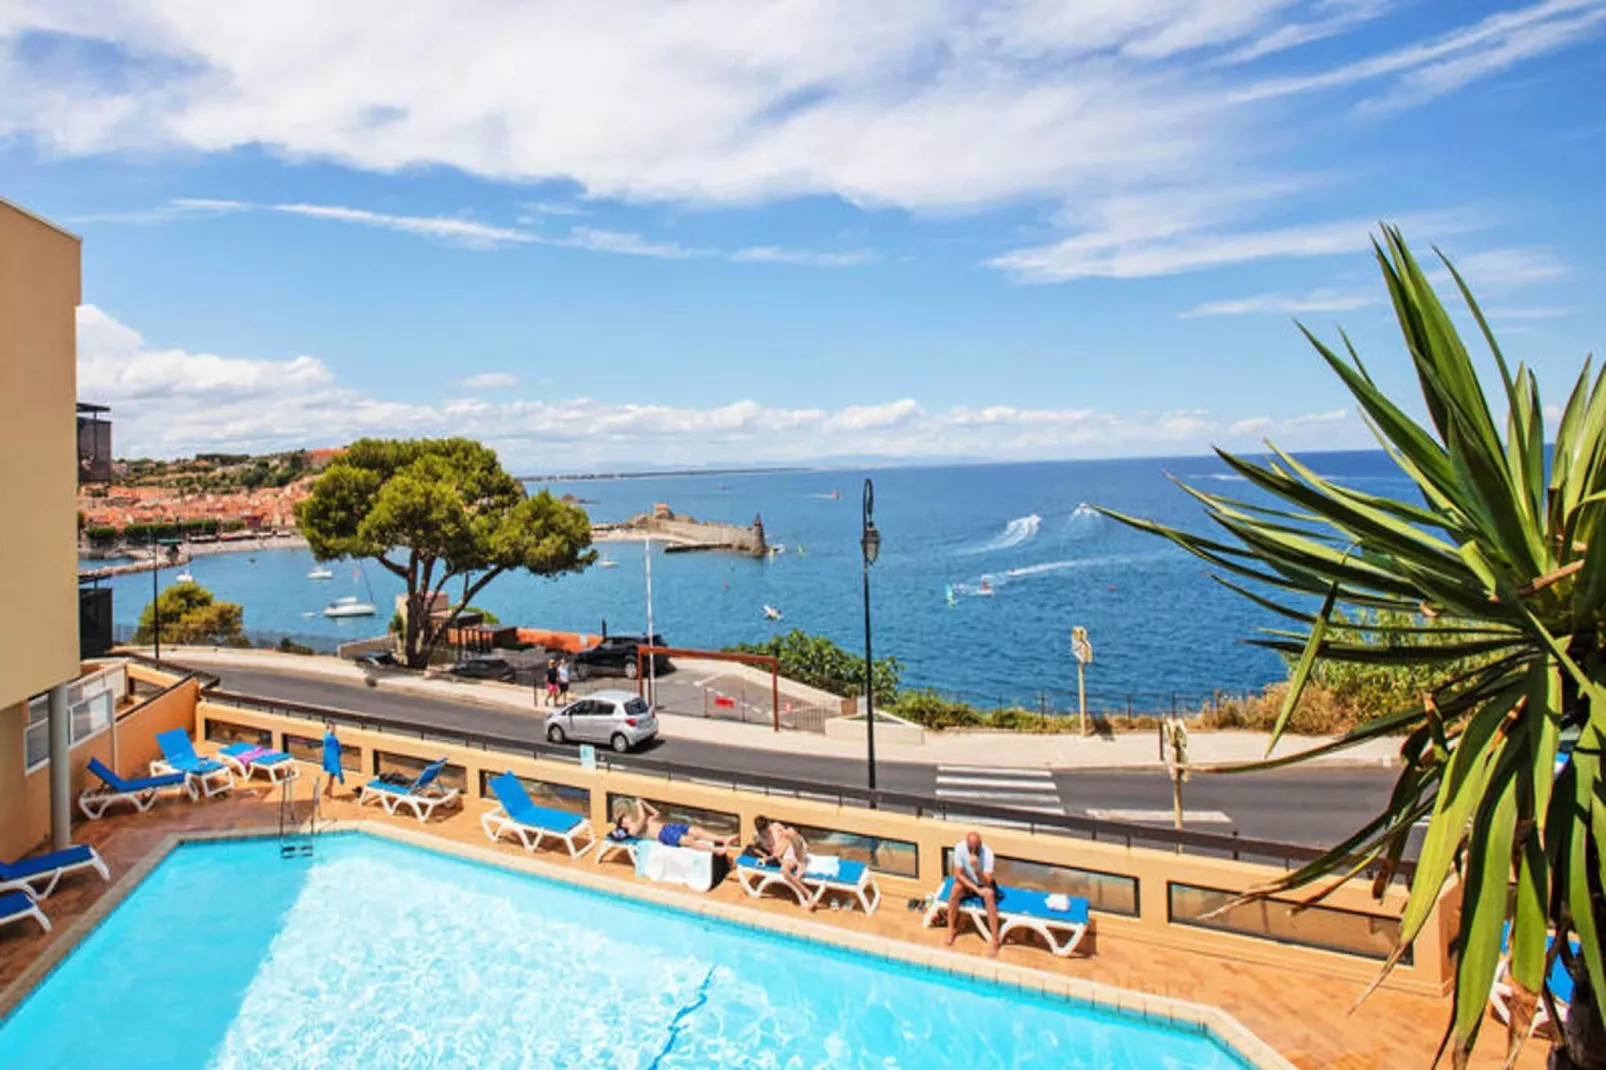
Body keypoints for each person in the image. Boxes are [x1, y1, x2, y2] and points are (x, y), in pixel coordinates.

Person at [947, 830, 1001, 957]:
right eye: (971, 848)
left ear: (980, 844)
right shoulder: (960, 848)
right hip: (968, 883)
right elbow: (959, 875)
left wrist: (977, 868)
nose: (973, 850)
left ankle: (995, 939)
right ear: (967, 844)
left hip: (983, 883)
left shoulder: (988, 854)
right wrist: (976, 890)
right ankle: (951, 928)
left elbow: (987, 881)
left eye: (976, 847)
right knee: (955, 891)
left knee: (989, 896)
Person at [613, 798, 736, 853]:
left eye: (626, 817)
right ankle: (716, 850)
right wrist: (639, 805)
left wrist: (643, 803)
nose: (627, 819)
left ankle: (723, 839)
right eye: (624, 820)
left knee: (696, 830)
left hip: (668, 827)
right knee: (689, 841)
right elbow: (643, 817)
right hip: (663, 835)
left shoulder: (642, 821)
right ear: (623, 825)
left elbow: (657, 813)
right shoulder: (633, 830)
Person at [753, 814, 815, 909]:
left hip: (795, 846)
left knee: (790, 831)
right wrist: (764, 857)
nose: (767, 832)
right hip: (786, 856)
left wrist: (783, 844)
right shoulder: (759, 837)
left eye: (768, 829)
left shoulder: (776, 827)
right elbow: (775, 853)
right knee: (784, 871)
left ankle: (801, 864)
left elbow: (789, 839)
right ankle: (808, 894)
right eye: (764, 831)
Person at [321, 720, 344, 799]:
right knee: (332, 774)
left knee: (331, 776)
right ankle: (329, 792)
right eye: (332, 728)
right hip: (331, 759)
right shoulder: (329, 738)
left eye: (334, 728)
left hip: (331, 758)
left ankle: (327, 790)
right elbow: (331, 749)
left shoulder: (331, 737)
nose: (334, 729)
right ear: (328, 728)